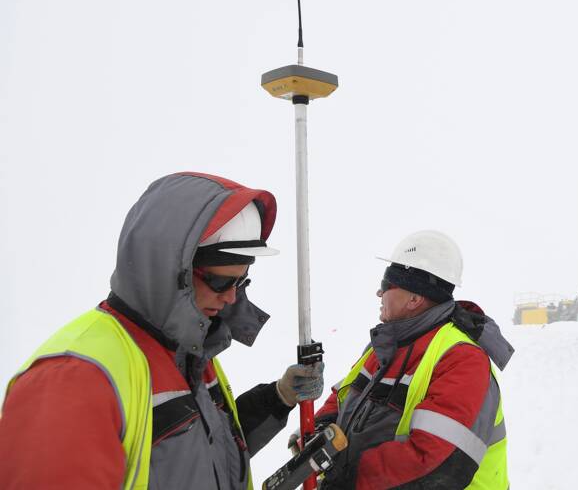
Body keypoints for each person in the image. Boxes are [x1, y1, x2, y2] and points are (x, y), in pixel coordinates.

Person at [0, 172, 324, 489]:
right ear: (171, 272)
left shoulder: (190, 351)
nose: (231, 297)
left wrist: (278, 397)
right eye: (221, 281)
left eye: (241, 281)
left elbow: (205, 457)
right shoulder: (76, 380)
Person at [313, 230, 513, 489]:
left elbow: (439, 463)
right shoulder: (385, 346)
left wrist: (350, 479)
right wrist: (321, 429)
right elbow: (345, 394)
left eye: (386, 286)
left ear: (415, 298)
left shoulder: (462, 358)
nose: (378, 293)